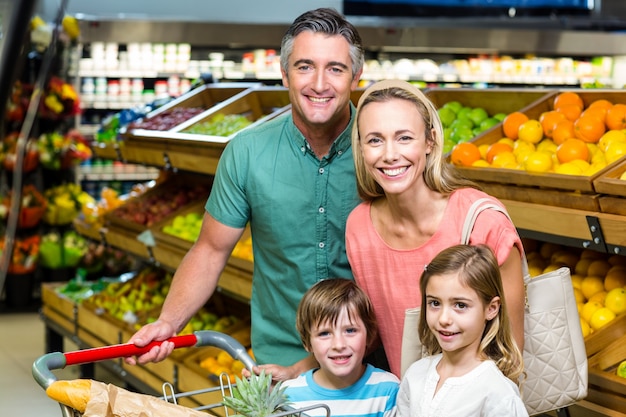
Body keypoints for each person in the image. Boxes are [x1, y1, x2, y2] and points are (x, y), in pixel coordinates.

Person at [125, 7, 364, 381]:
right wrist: (168, 322)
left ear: (356, 76)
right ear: (284, 74)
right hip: (279, 361)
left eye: (335, 68)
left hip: (371, 359)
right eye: (304, 67)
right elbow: (210, 249)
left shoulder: (382, 150)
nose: (320, 83)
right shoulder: (247, 152)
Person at [346, 79, 525, 378]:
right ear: (361, 148)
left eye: (404, 138)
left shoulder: (482, 222)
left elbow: (511, 353)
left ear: (429, 141)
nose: (390, 154)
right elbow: (376, 336)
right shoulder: (359, 227)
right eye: (375, 140)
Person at [396, 244, 528, 416]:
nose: (444, 319)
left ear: (491, 308)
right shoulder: (415, 374)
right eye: (435, 303)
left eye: (460, 305)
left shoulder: (497, 393)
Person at [282, 278, 399, 417]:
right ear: (307, 342)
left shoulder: (388, 390)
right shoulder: (288, 397)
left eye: (350, 330)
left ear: (369, 335)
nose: (339, 345)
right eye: (324, 333)